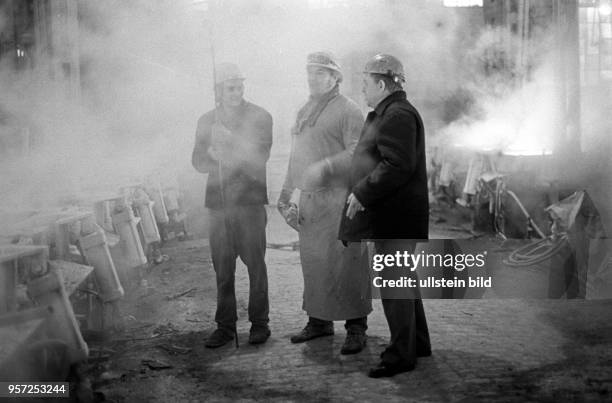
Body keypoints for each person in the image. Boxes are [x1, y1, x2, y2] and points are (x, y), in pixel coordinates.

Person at [339, 54, 432, 377]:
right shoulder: (392, 113)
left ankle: (400, 356)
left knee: (395, 286)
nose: (362, 90)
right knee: (402, 281)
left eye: (365, 84)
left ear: (381, 84)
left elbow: (396, 164)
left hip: (395, 218)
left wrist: (362, 192)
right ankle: (417, 343)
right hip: (397, 216)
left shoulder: (397, 115)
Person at [278, 51, 371, 354]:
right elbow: (297, 156)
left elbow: (358, 152)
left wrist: (326, 166)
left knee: (347, 264)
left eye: (321, 73)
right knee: (314, 262)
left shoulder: (349, 110)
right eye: (310, 73)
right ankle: (319, 321)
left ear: (335, 78)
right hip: (311, 201)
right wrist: (285, 192)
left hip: (341, 199)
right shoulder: (305, 111)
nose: (313, 78)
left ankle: (356, 328)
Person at [192, 63, 273, 347]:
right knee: (223, 270)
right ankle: (225, 327)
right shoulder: (206, 121)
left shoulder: (261, 117)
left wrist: (232, 141)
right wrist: (213, 153)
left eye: (239, 86)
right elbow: (197, 162)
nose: (236, 92)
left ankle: (259, 324)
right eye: (230, 87)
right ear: (218, 90)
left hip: (249, 205)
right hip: (219, 205)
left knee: (256, 267)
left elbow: (259, 158)